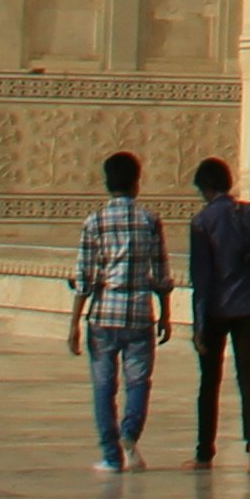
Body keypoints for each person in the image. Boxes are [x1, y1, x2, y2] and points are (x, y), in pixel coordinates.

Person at [69, 149, 169, 472]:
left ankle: (111, 456)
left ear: (106, 183)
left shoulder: (94, 223)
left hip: (103, 314)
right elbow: (162, 275)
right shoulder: (150, 221)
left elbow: (84, 278)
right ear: (136, 184)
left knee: (103, 385)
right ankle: (129, 434)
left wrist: (73, 323)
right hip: (140, 311)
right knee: (138, 380)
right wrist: (165, 313)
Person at [184, 155, 250, 472]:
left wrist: (197, 325)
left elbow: (202, 278)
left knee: (209, 382)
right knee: (248, 377)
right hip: (249, 306)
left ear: (206, 189)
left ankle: (204, 452)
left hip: (217, 310)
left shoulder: (202, 222)